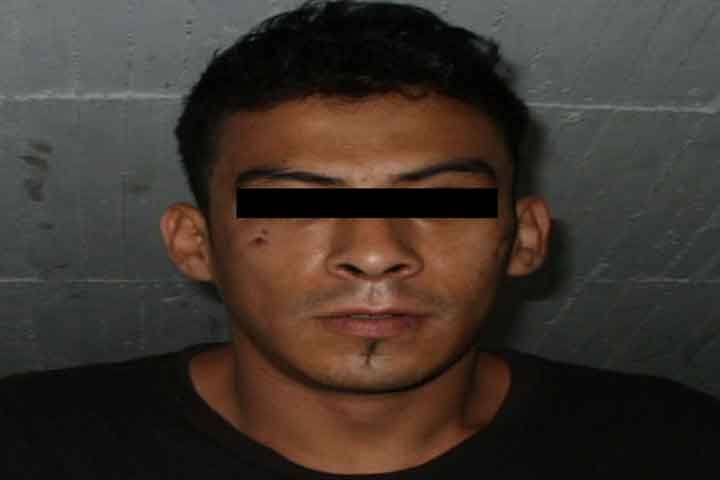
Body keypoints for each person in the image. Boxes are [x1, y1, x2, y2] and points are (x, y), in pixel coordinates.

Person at [2, 1, 718, 478]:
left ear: (524, 236)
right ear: (196, 244)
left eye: (443, 201)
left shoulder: (675, 445)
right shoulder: (31, 444)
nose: (375, 253)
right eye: (294, 205)